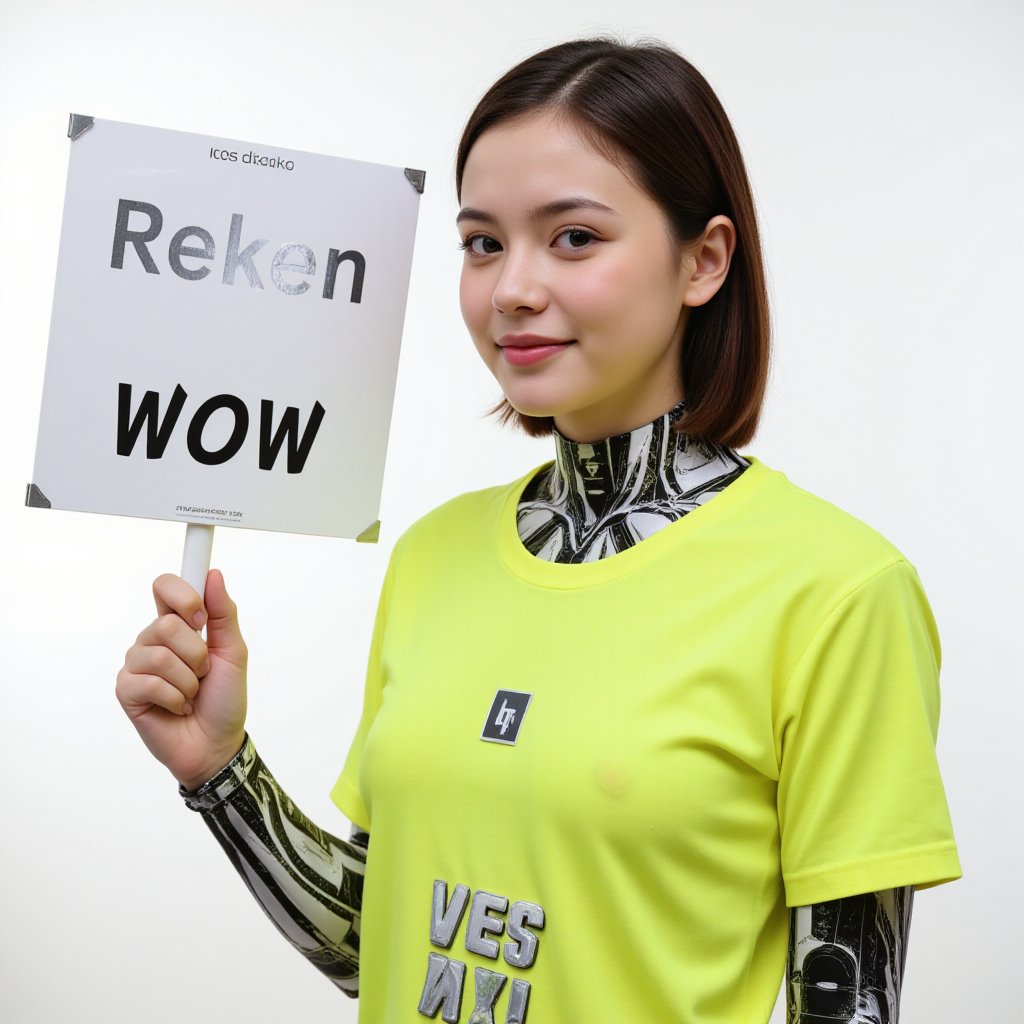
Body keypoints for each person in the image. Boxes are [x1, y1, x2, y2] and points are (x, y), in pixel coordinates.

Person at [115, 37, 962, 1024]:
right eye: (482, 242)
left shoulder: (838, 592)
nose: (510, 287)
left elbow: (846, 1004)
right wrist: (220, 772)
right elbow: (374, 943)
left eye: (572, 238)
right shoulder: (432, 555)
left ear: (703, 259)